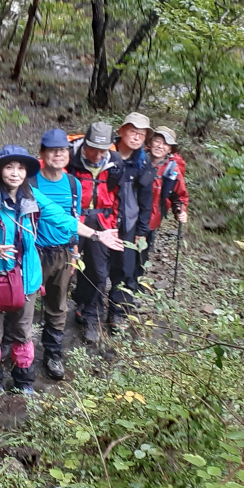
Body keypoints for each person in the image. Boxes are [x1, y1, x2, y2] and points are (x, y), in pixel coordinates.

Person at [0, 146, 121, 393]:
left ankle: (23, 382)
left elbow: (61, 217)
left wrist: (96, 235)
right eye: (9, 167)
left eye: (21, 168)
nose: (15, 173)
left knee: (23, 330)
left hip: (27, 274)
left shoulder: (32, 196)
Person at [30, 129, 83, 380]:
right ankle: (17, 353)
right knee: (23, 305)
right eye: (52, 150)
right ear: (42, 154)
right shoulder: (30, 181)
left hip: (62, 253)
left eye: (62, 150)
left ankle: (53, 354)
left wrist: (75, 252)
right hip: (33, 252)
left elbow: (75, 218)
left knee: (58, 305)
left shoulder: (74, 184)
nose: (58, 155)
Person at [68, 122, 125, 343]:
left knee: (99, 272)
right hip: (74, 218)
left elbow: (120, 193)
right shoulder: (70, 158)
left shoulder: (115, 162)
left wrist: (115, 222)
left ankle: (88, 313)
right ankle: (58, 313)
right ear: (85, 144)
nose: (98, 154)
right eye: (93, 148)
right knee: (67, 267)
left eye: (103, 150)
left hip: (102, 220)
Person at [106, 112, 155, 330]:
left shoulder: (143, 163)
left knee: (125, 267)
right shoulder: (104, 153)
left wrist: (142, 230)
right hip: (101, 218)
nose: (136, 137)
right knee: (95, 267)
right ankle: (86, 309)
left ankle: (118, 312)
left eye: (141, 134)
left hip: (128, 222)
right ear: (122, 131)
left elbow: (147, 200)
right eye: (133, 131)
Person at [141, 126, 189, 272]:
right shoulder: (137, 158)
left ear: (170, 149)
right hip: (129, 213)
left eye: (165, 144)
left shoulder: (172, 170)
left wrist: (180, 210)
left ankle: (135, 281)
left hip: (152, 217)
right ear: (150, 141)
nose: (160, 146)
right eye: (157, 140)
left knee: (143, 250)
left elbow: (178, 195)